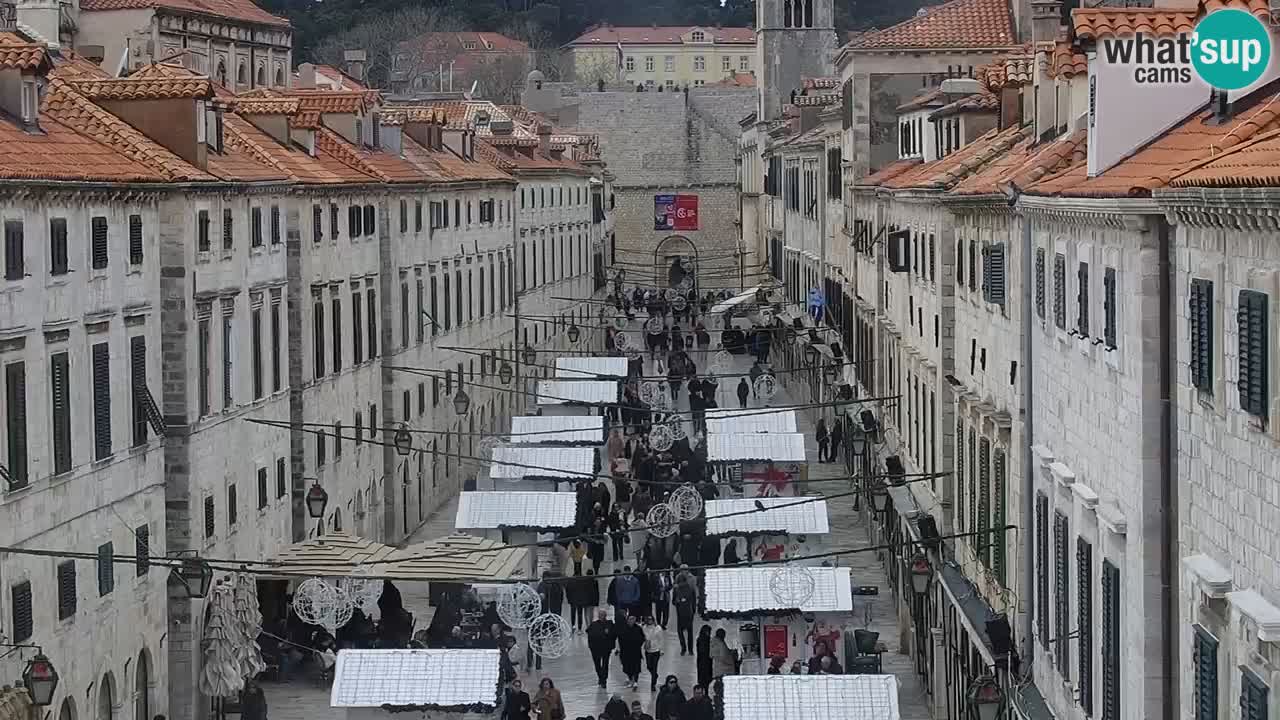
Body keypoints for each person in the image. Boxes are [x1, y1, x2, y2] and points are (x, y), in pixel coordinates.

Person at [587, 610, 617, 688]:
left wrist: (609, 633)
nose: (601, 616)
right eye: (600, 615)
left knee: (605, 664)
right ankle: (600, 677)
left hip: (606, 648)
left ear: (605, 615)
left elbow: (614, 635)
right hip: (595, 648)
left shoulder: (610, 624)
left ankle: (604, 680)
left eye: (603, 615)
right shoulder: (593, 624)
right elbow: (589, 634)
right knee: (597, 665)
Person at [616, 614, 646, 690]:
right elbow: (619, 639)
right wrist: (618, 649)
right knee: (627, 666)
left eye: (633, 619)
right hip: (625, 651)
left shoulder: (638, 628)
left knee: (636, 666)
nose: (631, 621)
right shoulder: (623, 628)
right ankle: (630, 679)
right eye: (630, 619)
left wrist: (638, 644)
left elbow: (642, 638)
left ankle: (635, 681)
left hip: (635, 651)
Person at [568, 568, 599, 633]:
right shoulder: (583, 581)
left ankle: (574, 626)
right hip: (581, 600)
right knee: (581, 614)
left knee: (574, 614)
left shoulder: (571, 581)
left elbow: (567, 590)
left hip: (574, 600)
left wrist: (569, 599)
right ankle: (581, 628)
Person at [672, 574, 697, 654]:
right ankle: (690, 650)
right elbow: (694, 601)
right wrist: (693, 611)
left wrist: (678, 601)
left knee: (680, 631)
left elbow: (673, 602)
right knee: (690, 631)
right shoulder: (691, 588)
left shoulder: (676, 589)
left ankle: (683, 648)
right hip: (689, 613)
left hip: (680, 613)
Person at [642, 616, 665, 691]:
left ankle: (653, 684)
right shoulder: (644, 628)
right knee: (649, 666)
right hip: (648, 650)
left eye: (651, 619)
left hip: (656, 651)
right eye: (648, 619)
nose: (650, 621)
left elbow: (661, 639)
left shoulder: (658, 628)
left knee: (655, 667)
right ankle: (655, 675)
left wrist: (661, 650)